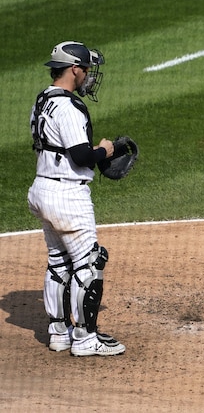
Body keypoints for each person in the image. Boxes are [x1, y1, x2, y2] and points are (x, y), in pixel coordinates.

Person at [28, 41, 126, 355]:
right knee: (89, 263)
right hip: (67, 196)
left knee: (59, 262)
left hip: (42, 189)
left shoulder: (43, 99)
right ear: (74, 69)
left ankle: (59, 333)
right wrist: (105, 151)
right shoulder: (69, 107)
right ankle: (85, 339)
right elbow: (82, 155)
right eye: (85, 69)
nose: (88, 75)